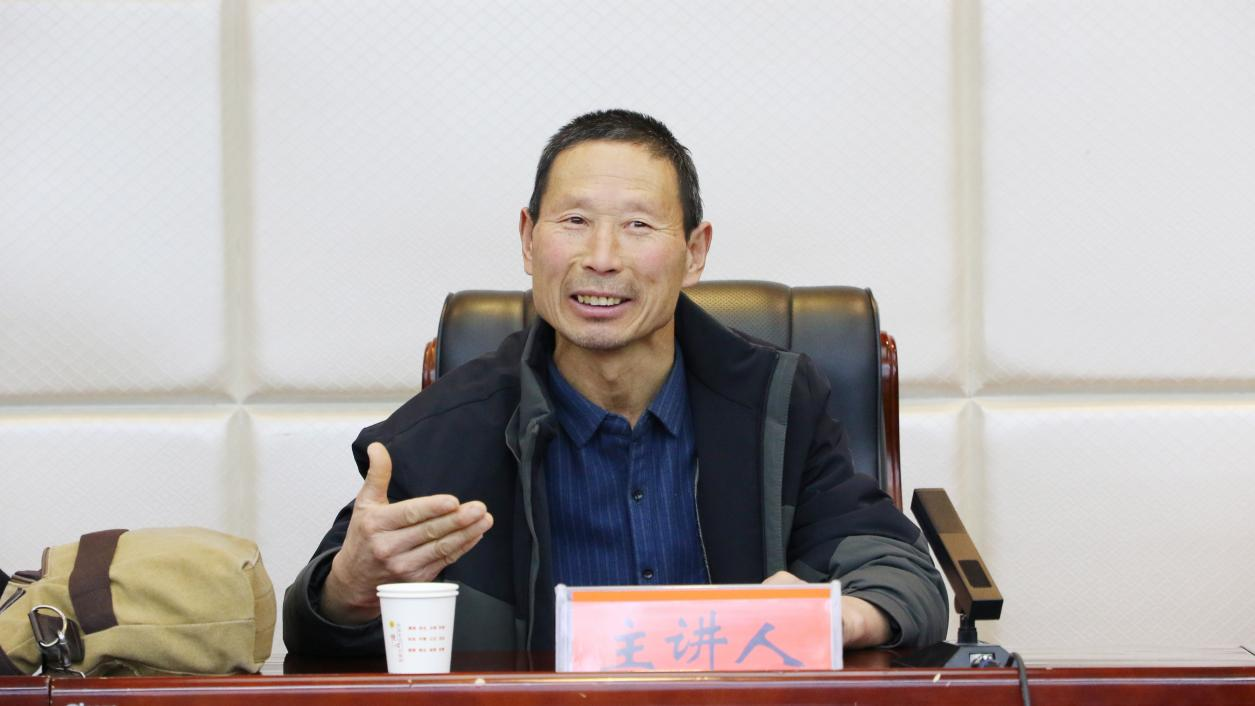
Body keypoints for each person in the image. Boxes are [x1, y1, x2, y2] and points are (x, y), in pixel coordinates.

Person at [283, 109, 948, 657]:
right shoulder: (442, 435)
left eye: (637, 226)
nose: (601, 258)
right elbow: (315, 636)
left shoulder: (775, 405)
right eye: (574, 221)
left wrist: (838, 617)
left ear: (694, 252)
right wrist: (348, 590)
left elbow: (900, 575)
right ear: (528, 239)